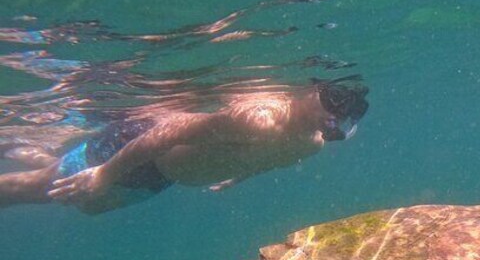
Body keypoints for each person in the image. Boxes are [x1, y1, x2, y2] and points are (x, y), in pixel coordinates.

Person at [0, 81, 368, 214]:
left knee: (90, 208)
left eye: (345, 110)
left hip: (162, 176)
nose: (333, 114)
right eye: (333, 98)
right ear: (309, 88)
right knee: (39, 189)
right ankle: (42, 162)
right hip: (141, 148)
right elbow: (170, 132)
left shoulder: (311, 147)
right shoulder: (260, 116)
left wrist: (237, 176)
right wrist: (106, 172)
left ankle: (35, 154)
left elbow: (268, 161)